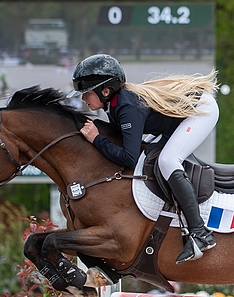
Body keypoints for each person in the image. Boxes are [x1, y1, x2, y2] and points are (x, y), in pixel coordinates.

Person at [69, 54, 219, 264]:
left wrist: (96, 139)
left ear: (105, 91)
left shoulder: (126, 107)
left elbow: (128, 158)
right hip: (175, 119)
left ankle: (200, 233)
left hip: (201, 110)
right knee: (151, 157)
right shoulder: (114, 103)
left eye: (87, 93)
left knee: (167, 161)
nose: (83, 99)